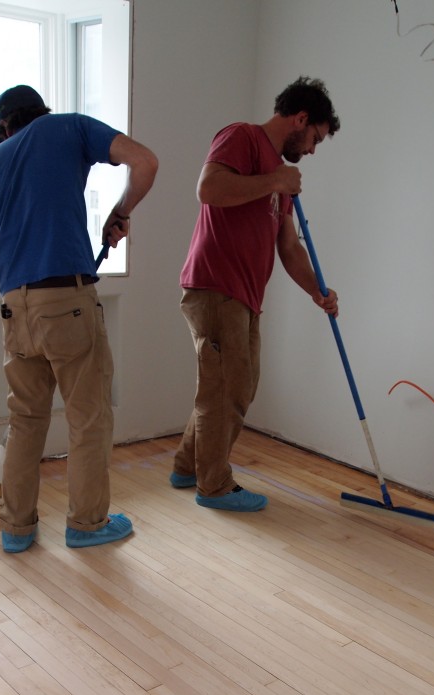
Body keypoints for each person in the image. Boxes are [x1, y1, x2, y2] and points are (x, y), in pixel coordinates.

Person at [0, 85, 158, 552]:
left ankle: (16, 530)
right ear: (42, 112)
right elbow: (146, 162)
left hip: (14, 305)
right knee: (89, 418)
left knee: (25, 421)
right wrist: (119, 213)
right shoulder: (69, 126)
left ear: (5, 127)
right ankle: (87, 524)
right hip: (66, 299)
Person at [171, 76, 340, 512]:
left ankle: (188, 467)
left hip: (243, 295)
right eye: (315, 138)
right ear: (300, 119)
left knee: (229, 386)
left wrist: (318, 292)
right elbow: (209, 190)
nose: (313, 150)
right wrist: (275, 180)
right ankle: (214, 486)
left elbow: (288, 246)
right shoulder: (242, 137)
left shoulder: (278, 175)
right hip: (215, 285)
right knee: (229, 388)